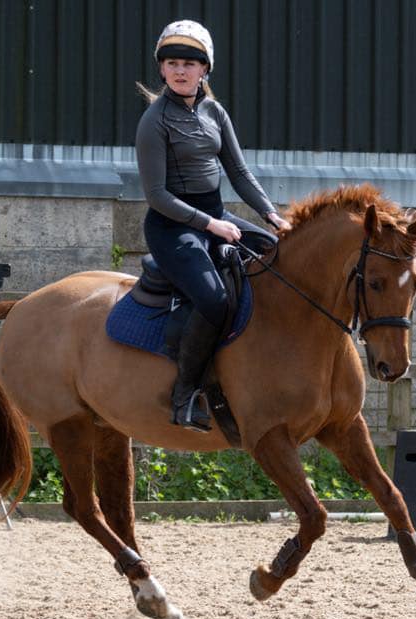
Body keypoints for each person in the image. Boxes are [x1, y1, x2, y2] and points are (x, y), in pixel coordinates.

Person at [135, 19, 292, 432]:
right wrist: (211, 225)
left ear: (205, 69)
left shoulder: (214, 112)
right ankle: (185, 395)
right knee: (215, 298)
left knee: (275, 255)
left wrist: (272, 216)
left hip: (215, 214)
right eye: (172, 63)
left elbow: (239, 173)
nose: (180, 71)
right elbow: (157, 196)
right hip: (172, 226)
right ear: (162, 69)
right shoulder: (154, 121)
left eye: (189, 63)